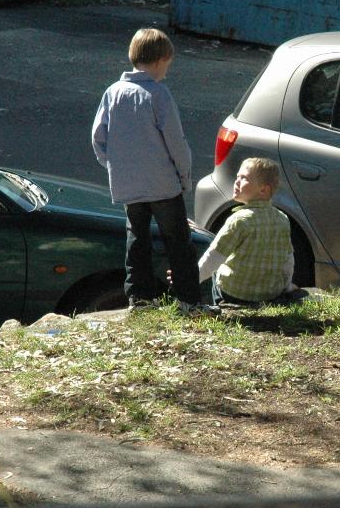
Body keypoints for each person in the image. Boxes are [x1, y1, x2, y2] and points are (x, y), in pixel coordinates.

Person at [91, 28, 216, 315]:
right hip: (162, 184)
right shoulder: (158, 94)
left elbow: (99, 137)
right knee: (179, 244)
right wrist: (184, 177)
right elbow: (176, 142)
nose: (167, 71)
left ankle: (140, 299)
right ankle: (189, 302)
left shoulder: (113, 92)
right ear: (161, 60)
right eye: (168, 64)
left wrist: (114, 166)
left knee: (137, 239)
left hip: (129, 186)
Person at [197, 157, 301, 307]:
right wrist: (287, 285)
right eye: (237, 177)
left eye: (244, 178)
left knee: (215, 272)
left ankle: (216, 304)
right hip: (270, 293)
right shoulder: (282, 219)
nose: (237, 181)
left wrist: (190, 279)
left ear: (264, 190)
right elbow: (288, 259)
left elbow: (214, 256)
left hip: (235, 294)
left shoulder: (239, 220)